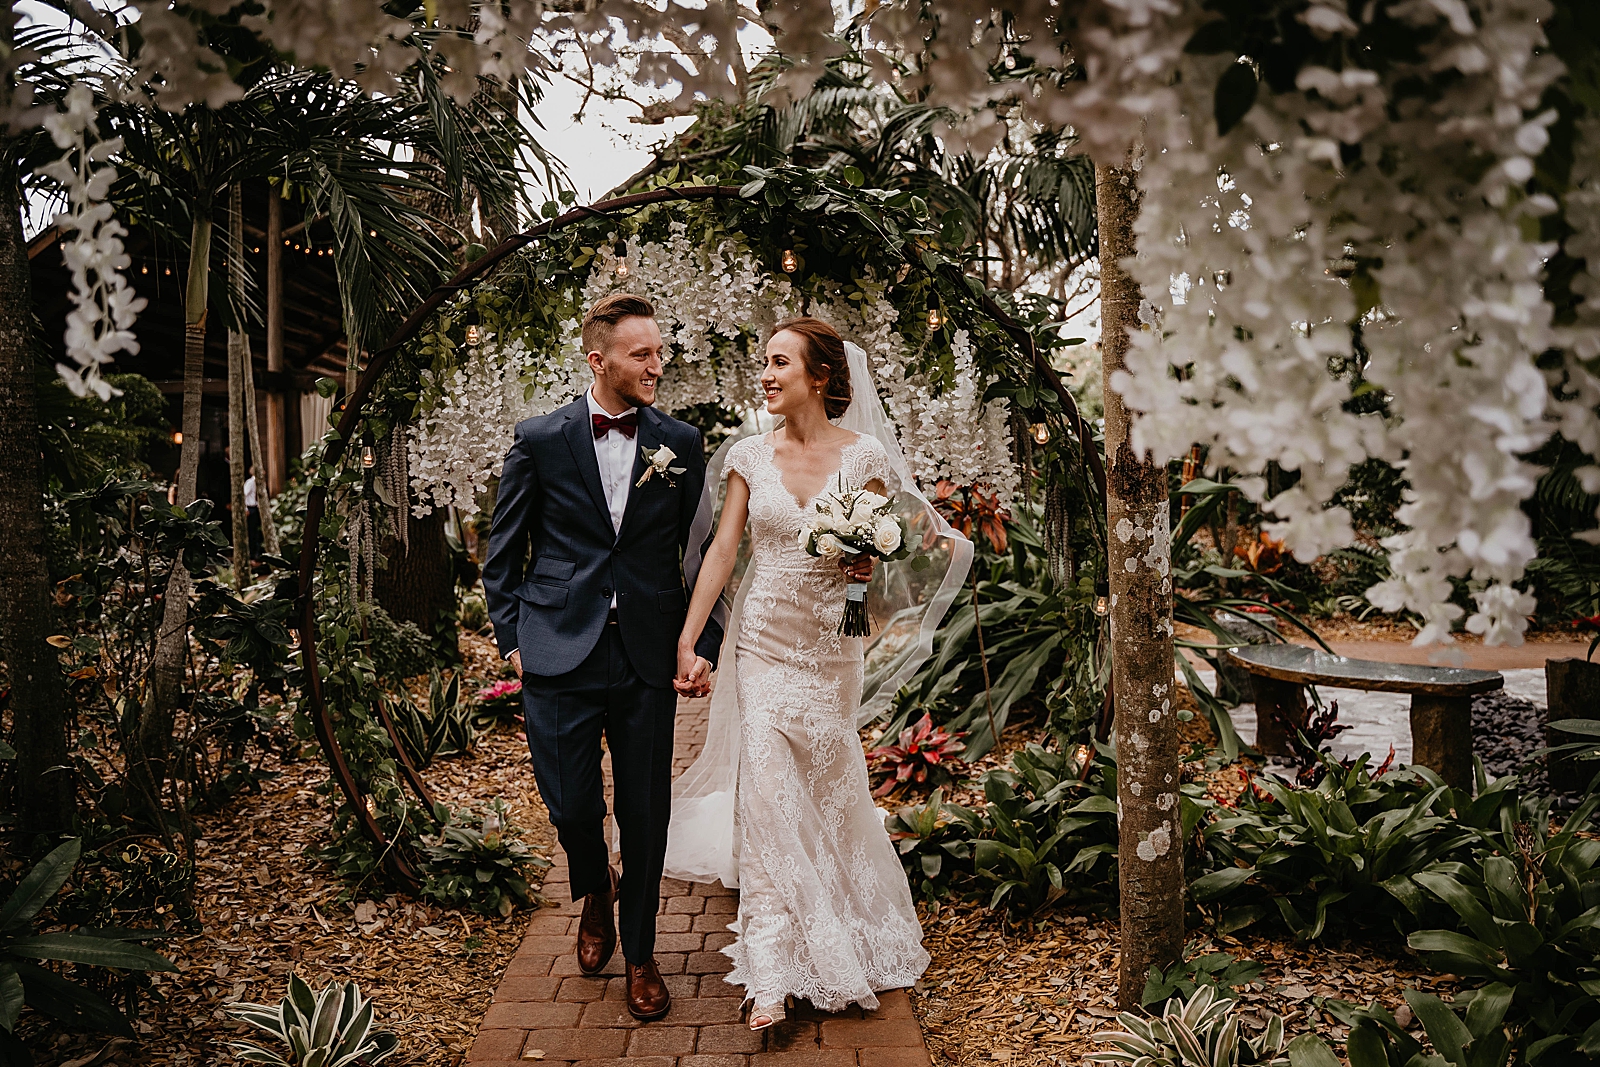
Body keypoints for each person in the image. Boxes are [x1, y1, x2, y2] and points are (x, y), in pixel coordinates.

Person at [672, 317, 935, 1030]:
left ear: (818, 376)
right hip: (761, 643)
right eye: (764, 361)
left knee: (830, 787)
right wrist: (689, 639)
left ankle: (846, 921)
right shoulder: (749, 457)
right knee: (766, 795)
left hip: (830, 649)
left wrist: (864, 565)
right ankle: (770, 969)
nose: (766, 373)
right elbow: (724, 551)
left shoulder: (866, 457)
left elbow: (876, 564)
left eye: (779, 362)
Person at [482, 292, 724, 1021]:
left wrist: (701, 643)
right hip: (557, 648)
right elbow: (503, 554)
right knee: (571, 803)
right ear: (599, 360)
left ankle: (642, 952)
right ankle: (595, 886)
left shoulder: (679, 442)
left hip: (648, 653)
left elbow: (706, 553)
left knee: (646, 812)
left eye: (660, 351)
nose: (658, 364)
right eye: (642, 354)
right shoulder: (541, 438)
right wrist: (513, 639)